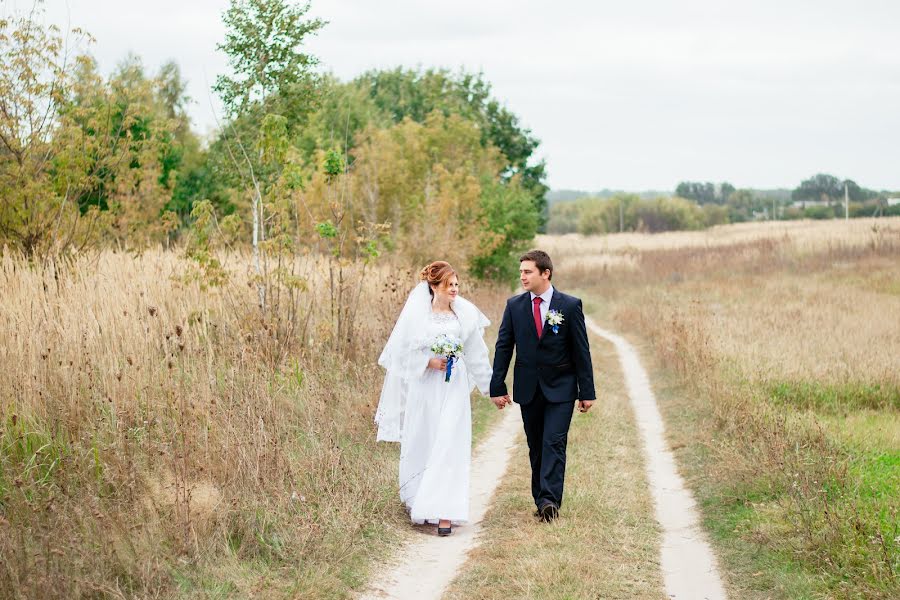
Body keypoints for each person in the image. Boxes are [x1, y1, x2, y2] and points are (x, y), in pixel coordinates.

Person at [375, 261, 493, 536]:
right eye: (449, 285)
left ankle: (445, 512)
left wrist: (492, 390)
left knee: (450, 443)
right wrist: (428, 362)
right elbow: (399, 354)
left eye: (457, 284)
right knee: (424, 440)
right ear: (434, 286)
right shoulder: (418, 316)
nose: (455, 289)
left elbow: (476, 353)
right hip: (425, 388)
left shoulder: (463, 314)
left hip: (454, 388)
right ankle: (421, 500)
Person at [489, 250, 596, 522]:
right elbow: (504, 346)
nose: (522, 276)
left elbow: (581, 350)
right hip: (528, 388)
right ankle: (541, 498)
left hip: (561, 387)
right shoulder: (514, 306)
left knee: (554, 442)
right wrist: (497, 385)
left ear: (545, 273)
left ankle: (550, 501)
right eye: (521, 271)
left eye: (528, 271)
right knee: (536, 445)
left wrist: (587, 392)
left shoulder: (570, 306)